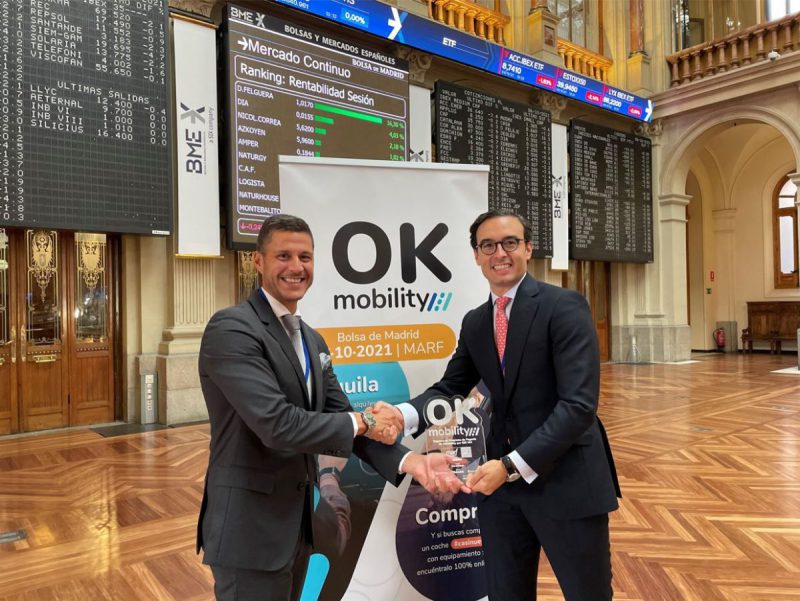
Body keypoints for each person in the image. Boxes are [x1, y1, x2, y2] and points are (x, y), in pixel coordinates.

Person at [196, 214, 461, 601]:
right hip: (249, 531)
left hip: (297, 529)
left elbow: (344, 422)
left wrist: (410, 462)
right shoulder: (232, 329)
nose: (296, 266)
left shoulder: (312, 341)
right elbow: (278, 425)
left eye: (305, 257)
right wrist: (365, 420)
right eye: (283, 255)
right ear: (258, 261)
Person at [373, 209, 621, 600]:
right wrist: (402, 415)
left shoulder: (564, 306)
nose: (499, 253)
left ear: (528, 248)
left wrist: (510, 466)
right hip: (502, 493)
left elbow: (577, 406)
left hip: (567, 481)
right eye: (488, 245)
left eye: (509, 243)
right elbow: (450, 388)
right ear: (476, 255)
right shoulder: (476, 322)